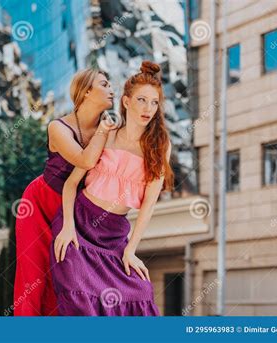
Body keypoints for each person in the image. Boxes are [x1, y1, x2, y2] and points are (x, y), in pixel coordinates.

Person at [50, 61, 174, 316]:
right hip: (79, 222)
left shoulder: (161, 147)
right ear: (126, 102)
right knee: (78, 291)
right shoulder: (106, 134)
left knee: (140, 293)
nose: (148, 108)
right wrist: (67, 227)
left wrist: (131, 250)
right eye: (141, 100)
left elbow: (148, 206)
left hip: (115, 235)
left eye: (154, 102)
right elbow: (72, 184)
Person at [13, 68, 117, 316]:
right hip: (40, 205)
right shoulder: (58, 127)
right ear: (87, 91)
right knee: (34, 278)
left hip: (76, 212)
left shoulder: (111, 129)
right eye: (105, 84)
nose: (112, 88)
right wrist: (105, 130)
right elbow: (85, 160)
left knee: (68, 279)